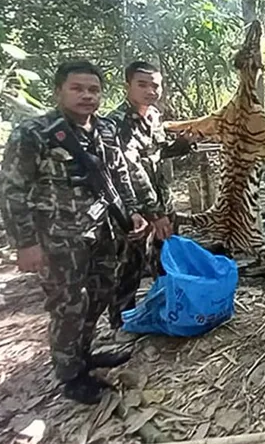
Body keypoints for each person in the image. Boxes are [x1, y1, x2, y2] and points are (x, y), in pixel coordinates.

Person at [0, 61, 150, 404]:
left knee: (99, 294)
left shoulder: (106, 130)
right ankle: (71, 376)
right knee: (68, 305)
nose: (87, 96)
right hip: (57, 238)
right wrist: (25, 243)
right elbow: (11, 190)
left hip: (104, 232)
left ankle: (85, 354)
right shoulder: (35, 133)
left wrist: (133, 212)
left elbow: (118, 174)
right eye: (77, 89)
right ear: (58, 92)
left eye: (93, 90)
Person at [106, 60, 196, 329]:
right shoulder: (116, 123)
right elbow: (131, 169)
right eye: (142, 84)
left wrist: (182, 145)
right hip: (134, 209)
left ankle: (170, 306)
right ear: (127, 86)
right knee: (130, 265)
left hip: (161, 199)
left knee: (166, 256)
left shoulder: (154, 116)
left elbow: (156, 152)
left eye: (155, 85)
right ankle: (122, 321)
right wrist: (153, 213)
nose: (150, 90)